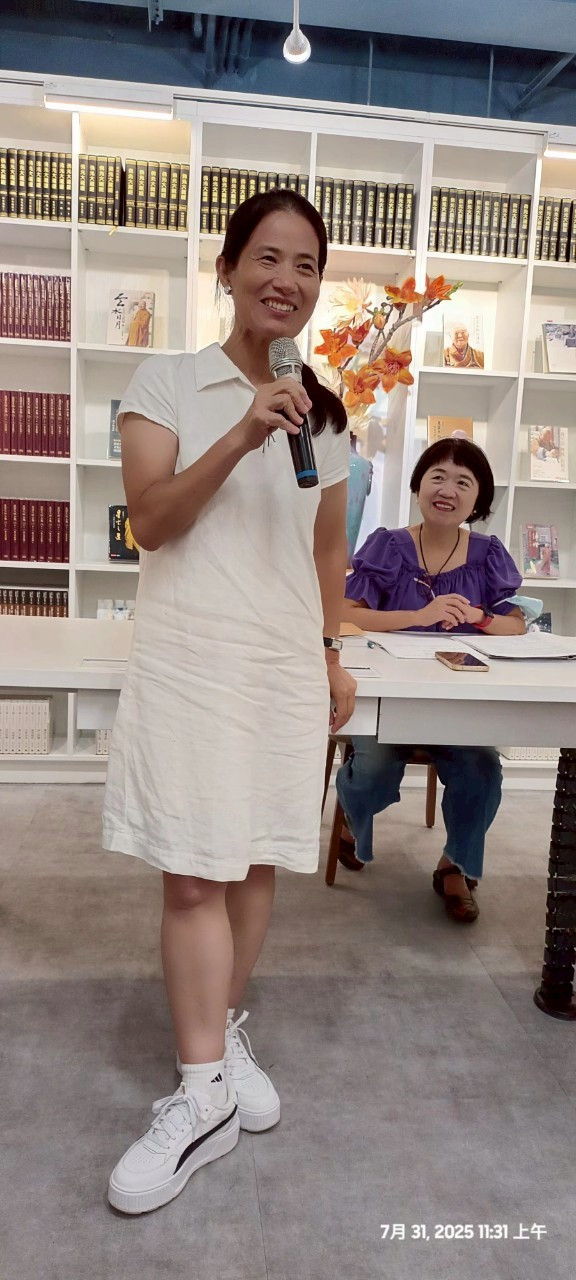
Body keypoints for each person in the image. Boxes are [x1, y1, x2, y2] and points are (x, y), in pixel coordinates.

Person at [101, 188, 356, 1214]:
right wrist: (243, 433)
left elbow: (327, 549)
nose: (285, 280)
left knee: (253, 860)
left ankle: (218, 1031)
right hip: (192, 659)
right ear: (228, 268)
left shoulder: (326, 413)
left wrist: (332, 653)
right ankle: (202, 1091)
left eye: (306, 265)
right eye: (267, 257)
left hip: (281, 664)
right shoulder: (166, 380)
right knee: (192, 873)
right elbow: (151, 521)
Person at [337, 438, 525, 924]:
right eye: (437, 476)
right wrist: (418, 616)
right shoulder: (388, 545)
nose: (447, 489)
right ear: (418, 485)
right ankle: (352, 814)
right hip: (390, 699)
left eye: (463, 481)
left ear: (478, 499)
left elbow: (516, 625)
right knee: (373, 772)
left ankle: (454, 867)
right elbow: (344, 612)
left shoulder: (488, 554)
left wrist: (479, 618)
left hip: (457, 703)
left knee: (482, 770)